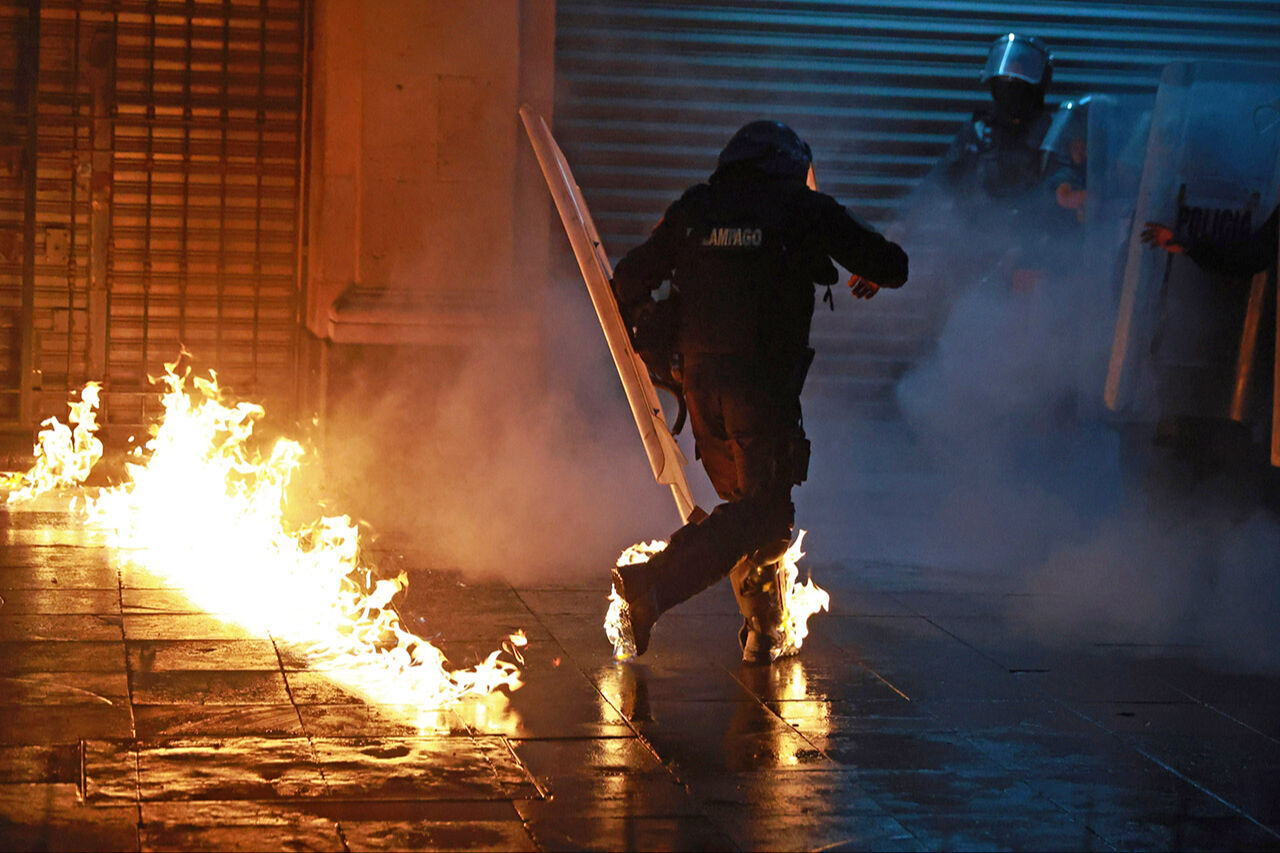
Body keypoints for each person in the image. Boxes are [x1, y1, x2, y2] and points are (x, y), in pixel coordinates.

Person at [608, 120, 909, 664]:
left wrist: (653, 334)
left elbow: (626, 281)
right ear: (790, 164)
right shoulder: (802, 208)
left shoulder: (696, 207)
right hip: (761, 385)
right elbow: (893, 264)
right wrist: (868, 272)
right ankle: (650, 585)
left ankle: (763, 631)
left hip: (699, 387)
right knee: (765, 516)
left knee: (748, 512)